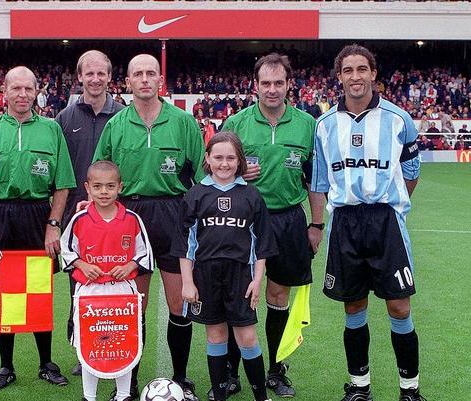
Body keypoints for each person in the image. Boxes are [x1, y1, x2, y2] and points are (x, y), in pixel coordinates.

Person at [310, 44, 424, 401]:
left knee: (399, 305)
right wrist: (317, 225)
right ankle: (360, 387)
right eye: (348, 70)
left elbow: (411, 171)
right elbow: (320, 181)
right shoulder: (325, 125)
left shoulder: (398, 118)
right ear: (339, 76)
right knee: (354, 305)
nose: (355, 76)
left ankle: (409, 390)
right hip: (345, 221)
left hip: (386, 221)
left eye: (362, 69)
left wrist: (392, 205)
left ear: (373, 74)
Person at [93, 54, 205, 401]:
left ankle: (181, 379)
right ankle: (126, 384)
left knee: (179, 302)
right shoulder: (116, 125)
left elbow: (201, 177)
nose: (144, 79)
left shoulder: (183, 123)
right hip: (131, 216)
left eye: (150, 73)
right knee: (133, 304)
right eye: (138, 74)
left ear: (160, 80)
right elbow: (100, 173)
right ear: (127, 82)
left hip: (174, 213)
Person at [222, 53, 322, 399]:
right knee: (239, 295)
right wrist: (237, 172)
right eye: (265, 83)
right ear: (255, 85)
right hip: (243, 219)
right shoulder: (236, 123)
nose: (272, 89)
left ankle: (276, 370)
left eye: (279, 83)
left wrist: (317, 224)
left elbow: (315, 179)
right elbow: (212, 169)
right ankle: (231, 372)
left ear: (289, 85)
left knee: (278, 296)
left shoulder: (307, 124)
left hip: (288, 220)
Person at [0, 66, 76, 391]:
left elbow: (63, 184)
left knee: (38, 290)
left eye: (28, 89)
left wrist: (53, 224)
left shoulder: (51, 129)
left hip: (38, 214)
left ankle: (46, 363)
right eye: (16, 88)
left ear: (37, 91)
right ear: (4, 91)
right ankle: (5, 365)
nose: (22, 95)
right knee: (3, 292)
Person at [173, 132, 278, 401]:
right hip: (205, 275)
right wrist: (187, 282)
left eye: (231, 158)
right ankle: (219, 395)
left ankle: (261, 397)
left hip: (241, 275)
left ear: (239, 160)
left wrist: (257, 280)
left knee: (247, 337)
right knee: (216, 334)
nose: (224, 163)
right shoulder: (195, 194)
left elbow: (261, 244)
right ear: (207, 158)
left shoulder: (251, 195)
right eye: (218, 157)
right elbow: (186, 244)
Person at [56, 50, 126, 376]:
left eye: (101, 73)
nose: (95, 79)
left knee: (115, 284)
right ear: (80, 77)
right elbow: (58, 170)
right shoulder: (65, 118)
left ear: (110, 77)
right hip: (78, 217)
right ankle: (83, 349)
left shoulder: (123, 116)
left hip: (115, 218)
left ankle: (116, 344)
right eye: (89, 73)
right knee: (81, 286)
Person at [61, 160, 153, 401]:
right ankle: (88, 396)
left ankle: (123, 394)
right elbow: (66, 249)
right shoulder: (79, 219)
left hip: (123, 291)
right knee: (91, 344)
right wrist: (82, 265)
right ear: (87, 188)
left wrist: (130, 265)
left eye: (110, 186)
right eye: (98, 186)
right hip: (90, 292)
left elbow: (145, 252)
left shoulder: (132, 219)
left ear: (120, 187)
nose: (104, 192)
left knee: (122, 343)